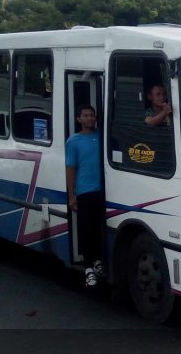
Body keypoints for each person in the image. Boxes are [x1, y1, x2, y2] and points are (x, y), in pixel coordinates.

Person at [65, 105, 104, 287]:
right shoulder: (73, 141)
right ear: (79, 119)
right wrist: (72, 195)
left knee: (99, 229)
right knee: (86, 230)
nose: (90, 118)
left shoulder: (101, 137)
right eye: (86, 115)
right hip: (85, 191)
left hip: (103, 192)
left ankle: (97, 262)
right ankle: (89, 269)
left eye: (92, 115)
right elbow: (70, 169)